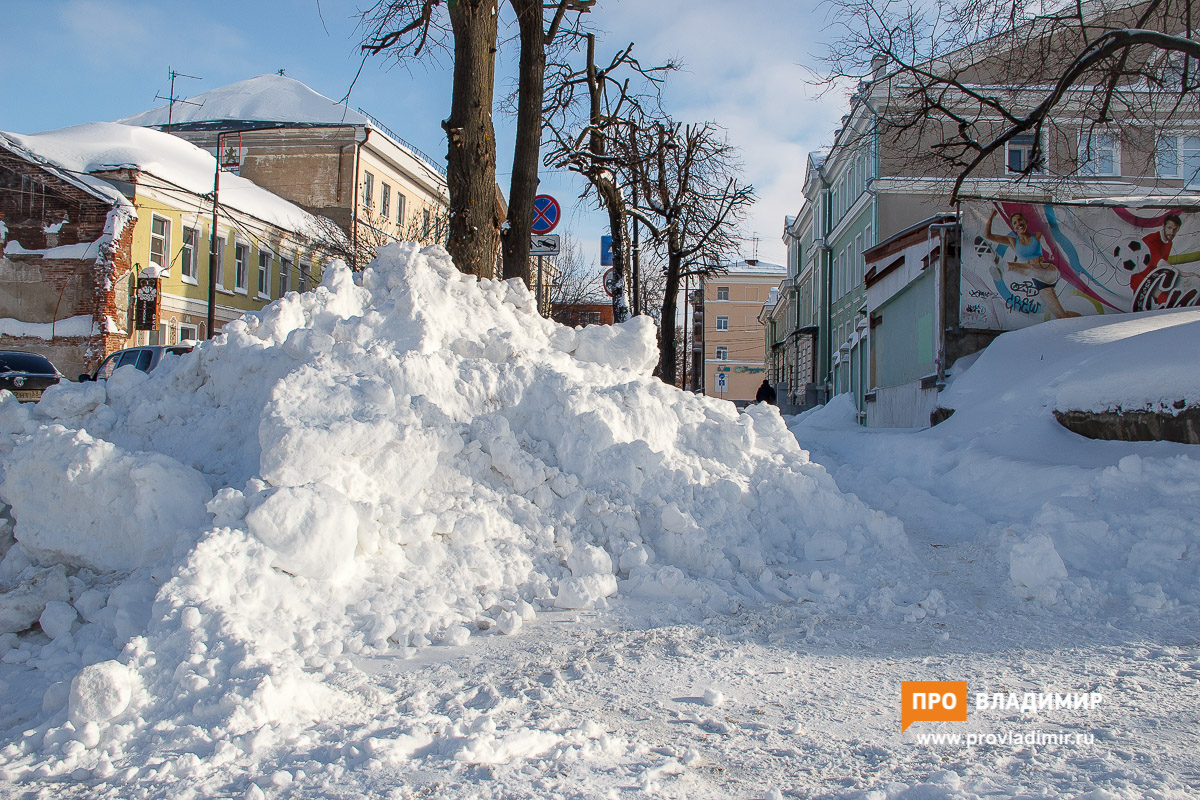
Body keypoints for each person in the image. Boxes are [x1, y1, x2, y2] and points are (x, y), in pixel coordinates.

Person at [984, 209, 1080, 319]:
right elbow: (987, 235)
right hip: (1039, 282)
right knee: (1062, 316)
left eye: (1020, 220)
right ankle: (1083, 321)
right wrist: (991, 216)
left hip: (1047, 271)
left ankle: (1003, 265)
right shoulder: (1012, 241)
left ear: (1026, 222)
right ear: (1013, 228)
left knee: (1030, 268)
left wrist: (1050, 252)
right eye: (1015, 223)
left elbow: (1047, 243)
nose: (1018, 224)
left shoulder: (1037, 236)